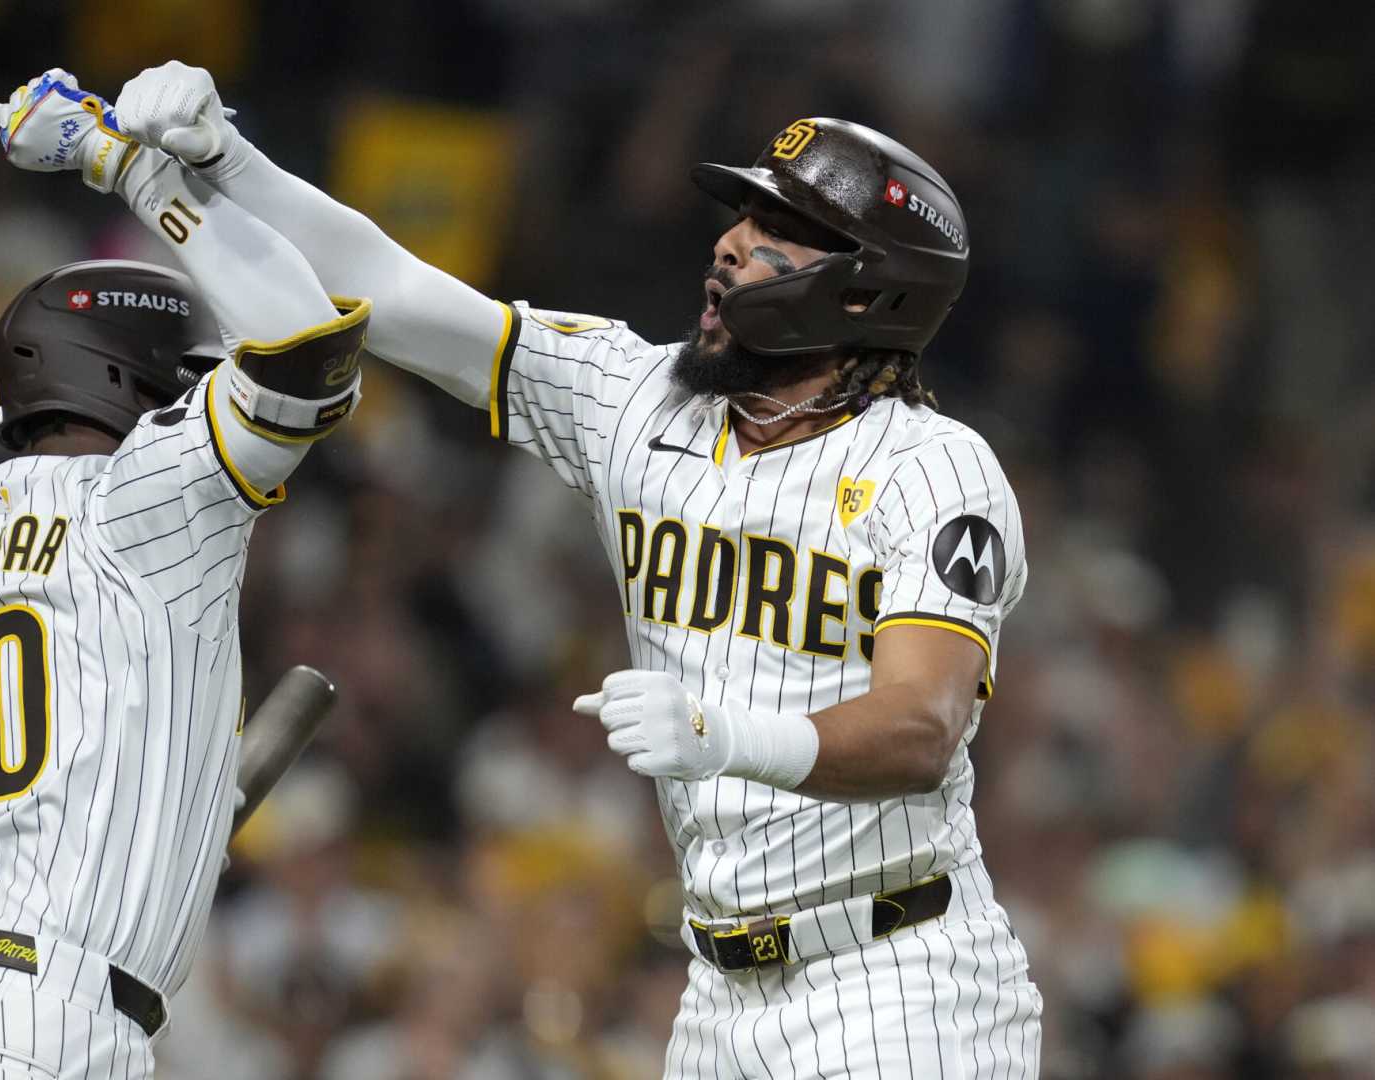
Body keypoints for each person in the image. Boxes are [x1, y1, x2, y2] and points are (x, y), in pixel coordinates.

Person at [117, 62, 1041, 1077]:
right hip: (719, 992)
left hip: (897, 978)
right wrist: (226, 159)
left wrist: (729, 736)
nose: (729, 244)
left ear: (867, 288)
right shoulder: (635, 398)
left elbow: (921, 728)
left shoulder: (933, 468)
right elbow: (387, 286)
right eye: (738, 219)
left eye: (776, 233)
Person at [0, 70, 364, 1079]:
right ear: (131, 378)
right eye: (183, 379)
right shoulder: (144, 493)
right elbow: (311, 346)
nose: (192, 400)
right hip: (35, 1019)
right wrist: (132, 166)